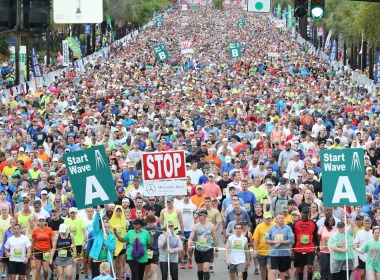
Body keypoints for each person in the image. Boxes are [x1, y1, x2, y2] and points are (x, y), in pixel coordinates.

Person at [188, 209, 219, 280]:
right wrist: (190, 245)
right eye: (198, 215)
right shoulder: (195, 226)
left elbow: (215, 238)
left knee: (206, 268)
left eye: (200, 215)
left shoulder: (211, 226)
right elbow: (190, 238)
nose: (198, 216)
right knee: (200, 269)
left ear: (205, 216)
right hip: (198, 250)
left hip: (208, 250)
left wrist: (216, 249)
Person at [264, 212, 295, 280]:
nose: (281, 219)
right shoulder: (271, 229)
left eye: (282, 218)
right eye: (279, 218)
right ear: (276, 219)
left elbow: (292, 240)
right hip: (274, 254)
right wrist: (274, 241)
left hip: (284, 254)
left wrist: (281, 242)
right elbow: (266, 240)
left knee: (282, 272)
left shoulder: (288, 228)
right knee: (273, 271)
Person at [89, 208, 116, 279]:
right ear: (102, 227)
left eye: (108, 227)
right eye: (105, 227)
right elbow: (95, 224)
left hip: (105, 261)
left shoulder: (112, 237)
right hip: (96, 259)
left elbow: (111, 247)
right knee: (95, 277)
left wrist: (106, 239)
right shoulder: (98, 233)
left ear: (110, 228)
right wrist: (97, 214)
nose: (106, 228)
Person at [293, 207, 319, 280]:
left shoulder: (313, 223)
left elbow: (316, 236)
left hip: (310, 248)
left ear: (309, 214)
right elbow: (293, 237)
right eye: (304, 213)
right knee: (300, 268)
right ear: (301, 213)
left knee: (310, 266)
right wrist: (292, 249)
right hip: (298, 249)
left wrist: (318, 248)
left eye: (307, 213)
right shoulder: (296, 223)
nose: (305, 214)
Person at [64, 207, 87, 280]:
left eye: (73, 212)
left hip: (78, 244)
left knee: (77, 262)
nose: (72, 214)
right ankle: (67, 275)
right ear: (69, 213)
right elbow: (64, 233)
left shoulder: (80, 221)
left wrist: (84, 241)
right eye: (71, 213)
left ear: (76, 213)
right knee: (68, 261)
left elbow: (84, 232)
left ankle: (77, 276)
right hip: (69, 244)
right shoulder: (66, 221)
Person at [253, 212, 273, 280]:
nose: (268, 219)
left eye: (269, 218)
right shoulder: (259, 226)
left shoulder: (274, 226)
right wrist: (255, 250)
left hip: (271, 251)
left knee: (269, 267)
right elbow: (255, 239)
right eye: (266, 218)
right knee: (263, 267)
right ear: (263, 218)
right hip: (261, 251)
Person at [109, 206, 127, 280]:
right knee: (113, 264)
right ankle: (111, 278)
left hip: (122, 244)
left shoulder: (124, 221)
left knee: (120, 264)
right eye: (117, 211)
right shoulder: (111, 221)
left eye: (120, 211)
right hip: (113, 244)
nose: (119, 213)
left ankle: (119, 278)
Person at [143, 215, 161, 280]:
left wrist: (159, 248)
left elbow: (161, 239)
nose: (150, 223)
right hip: (145, 252)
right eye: (148, 222)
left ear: (154, 222)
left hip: (155, 252)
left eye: (151, 222)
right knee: (146, 271)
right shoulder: (143, 229)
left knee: (153, 270)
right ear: (146, 222)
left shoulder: (158, 230)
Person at [318, 215, 336, 280]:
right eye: (330, 220)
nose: (331, 221)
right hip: (323, 251)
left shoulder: (335, 230)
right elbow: (318, 239)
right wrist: (318, 250)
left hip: (332, 251)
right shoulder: (322, 229)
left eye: (332, 220)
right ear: (326, 221)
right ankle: (323, 278)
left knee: (331, 267)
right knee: (324, 266)